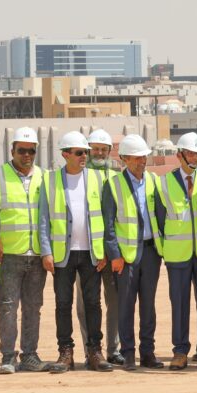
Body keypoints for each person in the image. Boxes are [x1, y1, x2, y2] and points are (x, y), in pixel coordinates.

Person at [0, 127, 61, 374]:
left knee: (33, 307)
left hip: (37, 254)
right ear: (12, 150)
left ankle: (29, 355)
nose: (26, 155)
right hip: (7, 255)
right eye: (22, 150)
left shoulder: (46, 177)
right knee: (7, 306)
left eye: (31, 151)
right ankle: (8, 356)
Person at [37, 132, 113, 373]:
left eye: (86, 153)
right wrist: (46, 251)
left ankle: (94, 351)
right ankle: (65, 353)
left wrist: (103, 251)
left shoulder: (97, 180)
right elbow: (43, 220)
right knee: (63, 304)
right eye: (79, 153)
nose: (84, 157)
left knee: (93, 304)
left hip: (91, 253)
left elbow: (105, 216)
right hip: (62, 255)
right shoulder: (50, 181)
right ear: (65, 154)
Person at [103, 134, 164, 371]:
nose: (141, 161)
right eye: (136, 158)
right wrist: (115, 255)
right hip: (126, 257)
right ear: (124, 159)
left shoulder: (154, 181)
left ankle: (147, 352)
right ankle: (128, 354)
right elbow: (108, 225)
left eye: (144, 157)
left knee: (148, 306)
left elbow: (160, 216)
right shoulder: (114, 185)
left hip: (150, 253)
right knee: (126, 306)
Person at [158, 133, 197, 371]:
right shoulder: (164, 182)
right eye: (190, 153)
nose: (194, 158)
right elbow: (159, 219)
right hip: (177, 254)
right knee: (179, 304)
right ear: (179, 155)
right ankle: (180, 351)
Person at [80, 128, 122, 365]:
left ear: (109, 151)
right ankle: (90, 349)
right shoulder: (79, 176)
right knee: (85, 303)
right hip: (86, 252)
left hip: (112, 251)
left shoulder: (117, 175)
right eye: (94, 149)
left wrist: (111, 250)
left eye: (103, 150)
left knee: (114, 301)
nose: (98, 153)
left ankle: (113, 349)